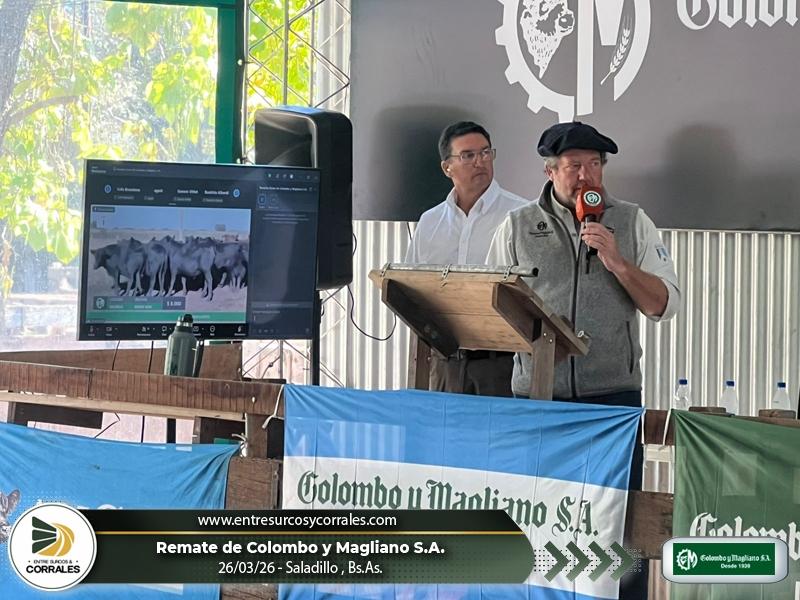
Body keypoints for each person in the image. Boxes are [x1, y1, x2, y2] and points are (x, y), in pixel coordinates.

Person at [487, 121, 680, 599]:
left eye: (595, 165)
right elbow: (491, 302)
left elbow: (665, 304)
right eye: (574, 166)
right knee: (539, 520)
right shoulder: (516, 226)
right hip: (538, 403)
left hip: (611, 402)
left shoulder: (632, 222)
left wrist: (616, 260)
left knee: (619, 527)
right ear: (550, 171)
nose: (586, 175)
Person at [405, 121, 529, 396]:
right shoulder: (430, 221)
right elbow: (412, 288)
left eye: (485, 153)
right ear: (447, 167)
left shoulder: (520, 216)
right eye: (468, 155)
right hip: (444, 360)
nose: (480, 161)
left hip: (501, 363)